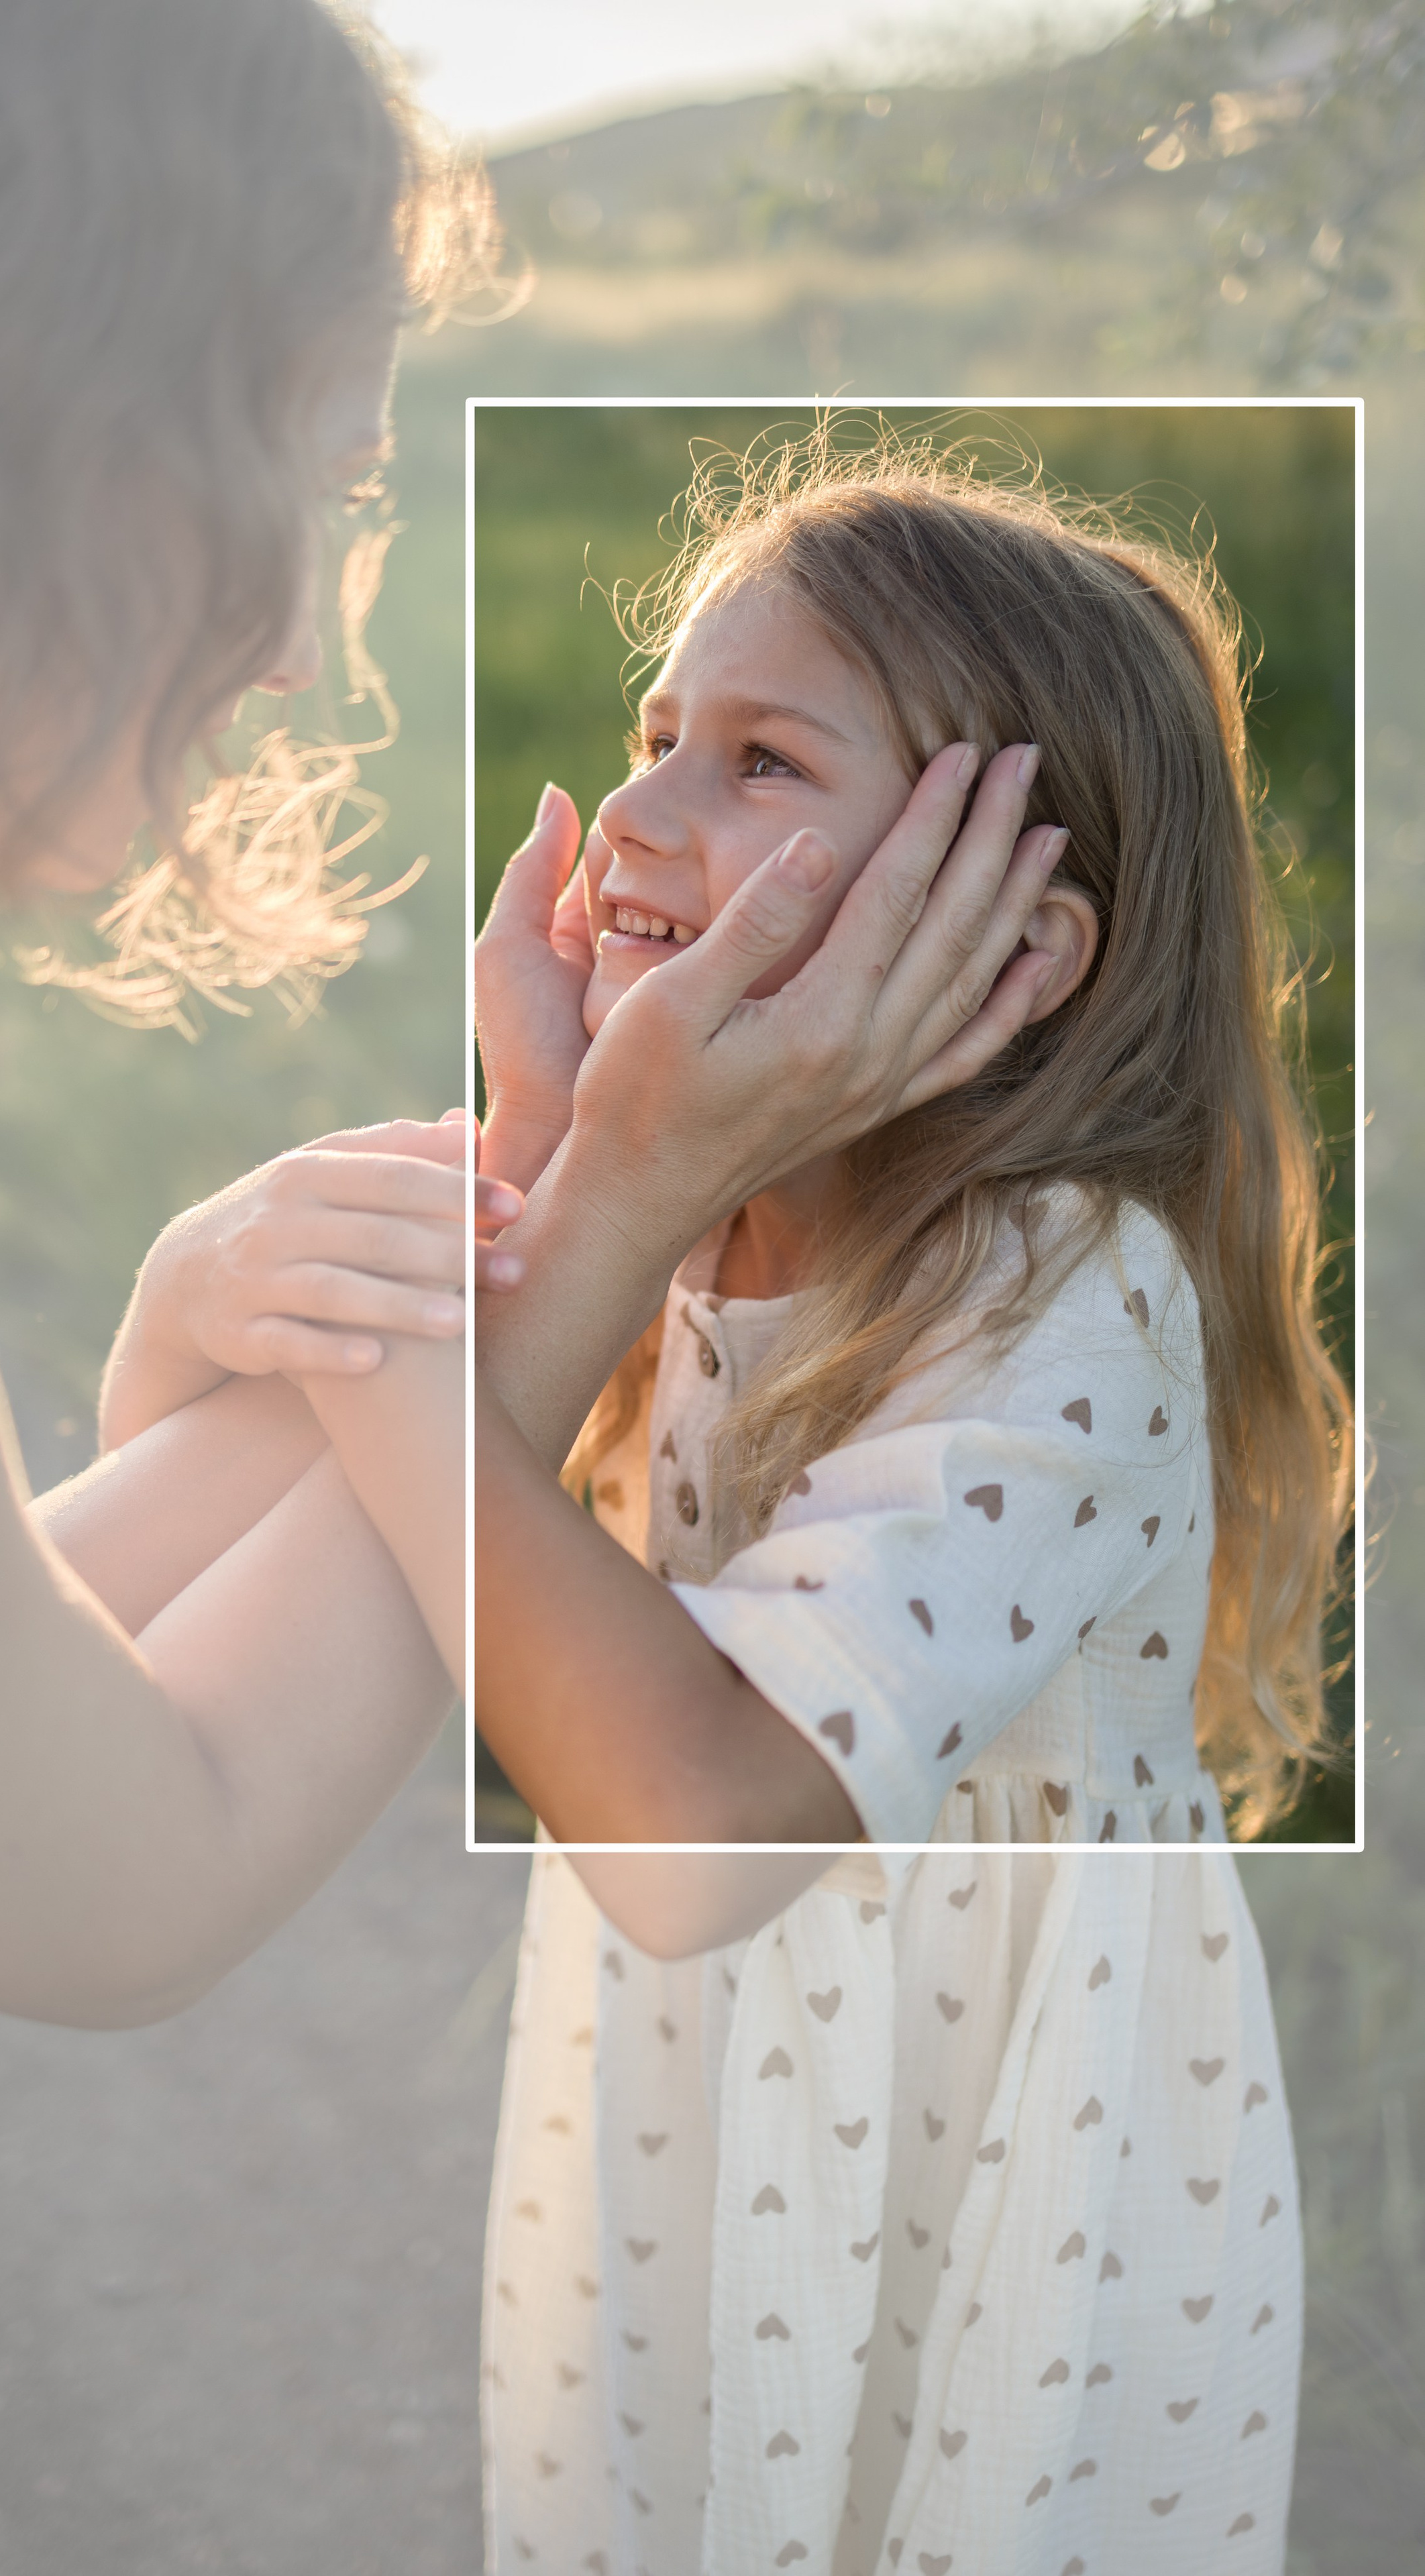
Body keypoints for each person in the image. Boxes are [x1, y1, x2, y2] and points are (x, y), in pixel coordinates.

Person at [472, 433, 1351, 2574]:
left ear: (1009, 949)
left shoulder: (1068, 1289)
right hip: (720, 2118)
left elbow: (691, 1823)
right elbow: (430, 1576)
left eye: (764, 762)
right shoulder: (697, 1200)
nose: (640, 816)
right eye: (657, 738)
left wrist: (431, 1334)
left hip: (1008, 2175)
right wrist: (548, 1154)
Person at [0, 0, 503, 2030]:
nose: (300, 647)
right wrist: (582, 1278)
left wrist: (299, 1366)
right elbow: (134, 1862)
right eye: (300, 486)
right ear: (35, 416)